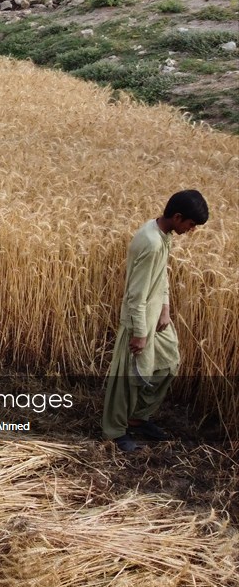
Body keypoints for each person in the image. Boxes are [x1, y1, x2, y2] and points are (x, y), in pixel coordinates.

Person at [102, 189, 209, 453]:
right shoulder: (150, 243)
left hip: (155, 315)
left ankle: (137, 418)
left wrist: (165, 309)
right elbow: (135, 294)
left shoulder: (165, 234)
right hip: (138, 319)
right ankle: (115, 431)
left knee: (168, 362)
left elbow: (161, 276)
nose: (191, 230)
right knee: (126, 379)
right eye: (191, 225)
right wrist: (139, 332)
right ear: (177, 216)